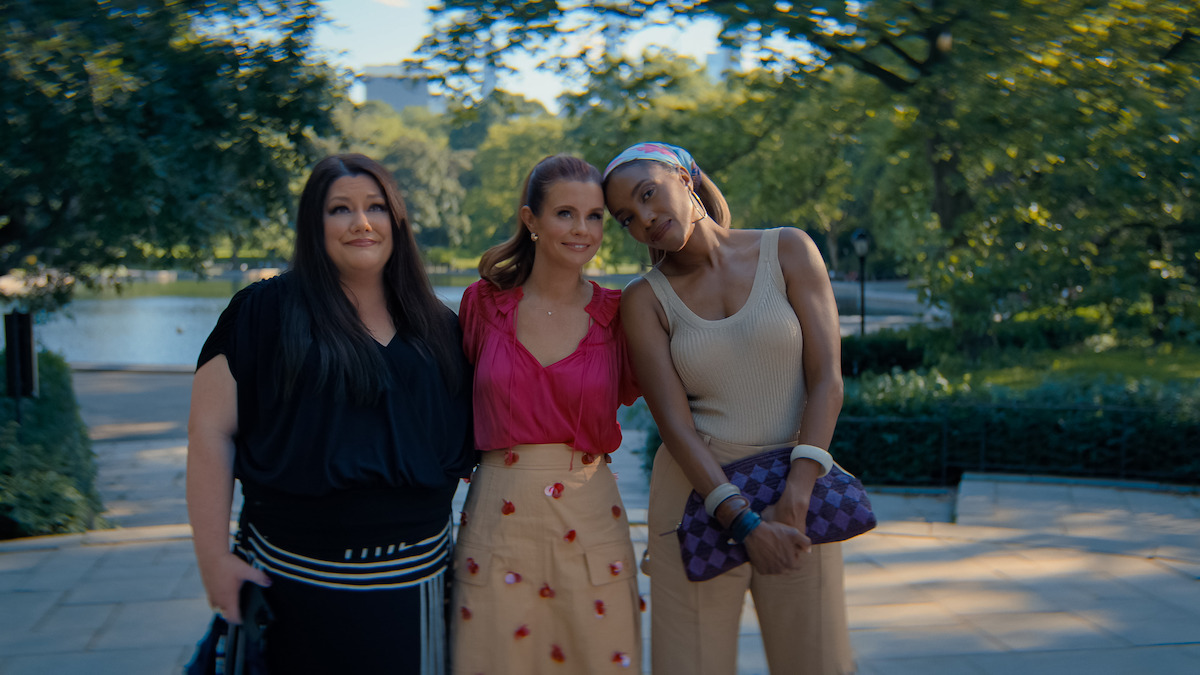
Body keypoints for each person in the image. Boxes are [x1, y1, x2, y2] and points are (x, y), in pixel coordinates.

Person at [186, 153, 474, 674]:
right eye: (340, 209)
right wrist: (213, 560)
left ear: (397, 220)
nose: (361, 222)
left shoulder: (441, 328)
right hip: (289, 587)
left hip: (416, 594)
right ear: (313, 224)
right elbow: (210, 432)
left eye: (376, 207)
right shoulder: (263, 313)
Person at [603, 142, 855, 675]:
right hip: (696, 501)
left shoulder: (789, 249)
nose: (645, 218)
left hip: (798, 496)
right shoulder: (644, 300)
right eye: (627, 216)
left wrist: (796, 496)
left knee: (818, 663)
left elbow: (826, 378)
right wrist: (741, 521)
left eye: (649, 195)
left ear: (686, 178)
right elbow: (672, 423)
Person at [450, 154, 642, 674]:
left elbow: (685, 398)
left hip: (591, 518)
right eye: (565, 214)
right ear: (531, 220)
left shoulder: (623, 315)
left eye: (596, 216)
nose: (583, 229)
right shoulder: (482, 307)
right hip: (497, 521)